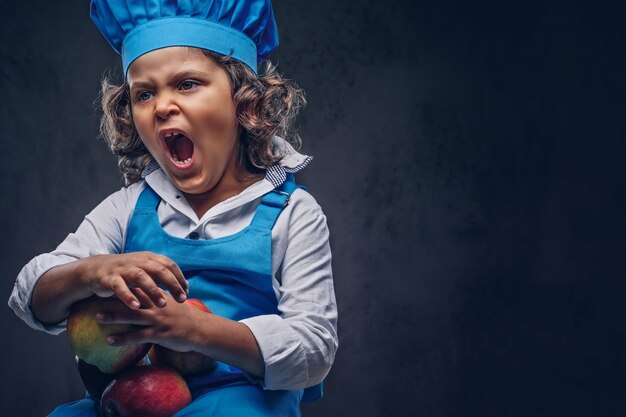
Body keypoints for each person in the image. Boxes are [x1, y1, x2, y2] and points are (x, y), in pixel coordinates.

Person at [7, 1, 338, 416]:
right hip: (133, 400)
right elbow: (31, 298)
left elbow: (315, 351)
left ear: (245, 101)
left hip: (240, 402)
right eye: (144, 93)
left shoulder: (293, 213)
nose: (161, 106)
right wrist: (90, 272)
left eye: (186, 84)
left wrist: (197, 331)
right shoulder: (129, 207)